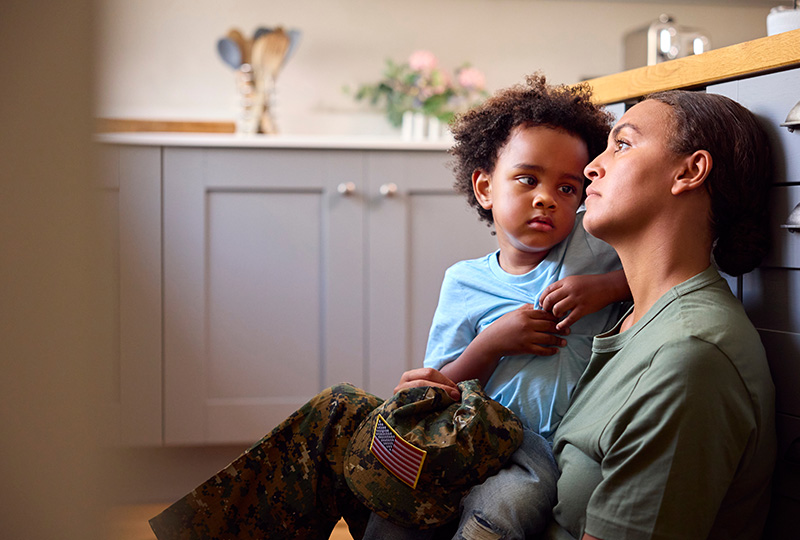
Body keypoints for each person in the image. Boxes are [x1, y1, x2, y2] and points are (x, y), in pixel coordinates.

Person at [398, 89, 777, 540]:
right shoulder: (632, 316)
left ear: (689, 171)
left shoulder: (688, 358)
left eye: (622, 144)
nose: (591, 168)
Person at [370, 74, 630, 539]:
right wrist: (492, 343)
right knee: (398, 496)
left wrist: (607, 287)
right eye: (527, 179)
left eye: (567, 188)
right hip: (471, 437)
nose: (547, 198)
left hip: (544, 453)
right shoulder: (465, 281)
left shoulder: (589, 247)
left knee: (507, 507)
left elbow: (667, 265)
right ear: (486, 188)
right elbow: (439, 387)